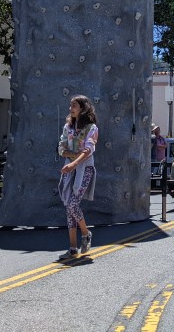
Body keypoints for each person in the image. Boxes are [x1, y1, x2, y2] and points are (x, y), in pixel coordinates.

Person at [57, 95, 99, 259]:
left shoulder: (91, 128)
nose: (70, 108)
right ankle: (73, 248)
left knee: (73, 205)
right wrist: (72, 157)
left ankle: (86, 233)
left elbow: (88, 150)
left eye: (74, 105)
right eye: (70, 105)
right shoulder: (68, 127)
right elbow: (61, 147)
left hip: (85, 169)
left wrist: (74, 163)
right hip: (70, 169)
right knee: (69, 207)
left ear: (83, 108)